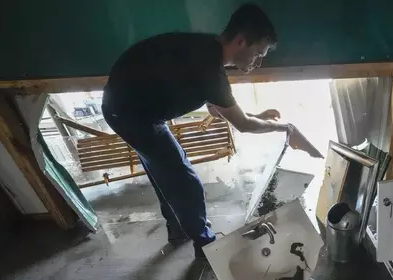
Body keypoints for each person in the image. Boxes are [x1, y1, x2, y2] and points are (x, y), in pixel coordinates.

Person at [102, 4, 303, 261]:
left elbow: (217, 109)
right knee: (185, 180)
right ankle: (206, 246)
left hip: (127, 106)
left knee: (164, 169)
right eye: (257, 53)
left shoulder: (206, 51)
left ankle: (178, 230)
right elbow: (242, 125)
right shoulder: (209, 69)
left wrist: (259, 117)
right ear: (241, 41)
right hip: (131, 114)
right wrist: (282, 127)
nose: (258, 61)